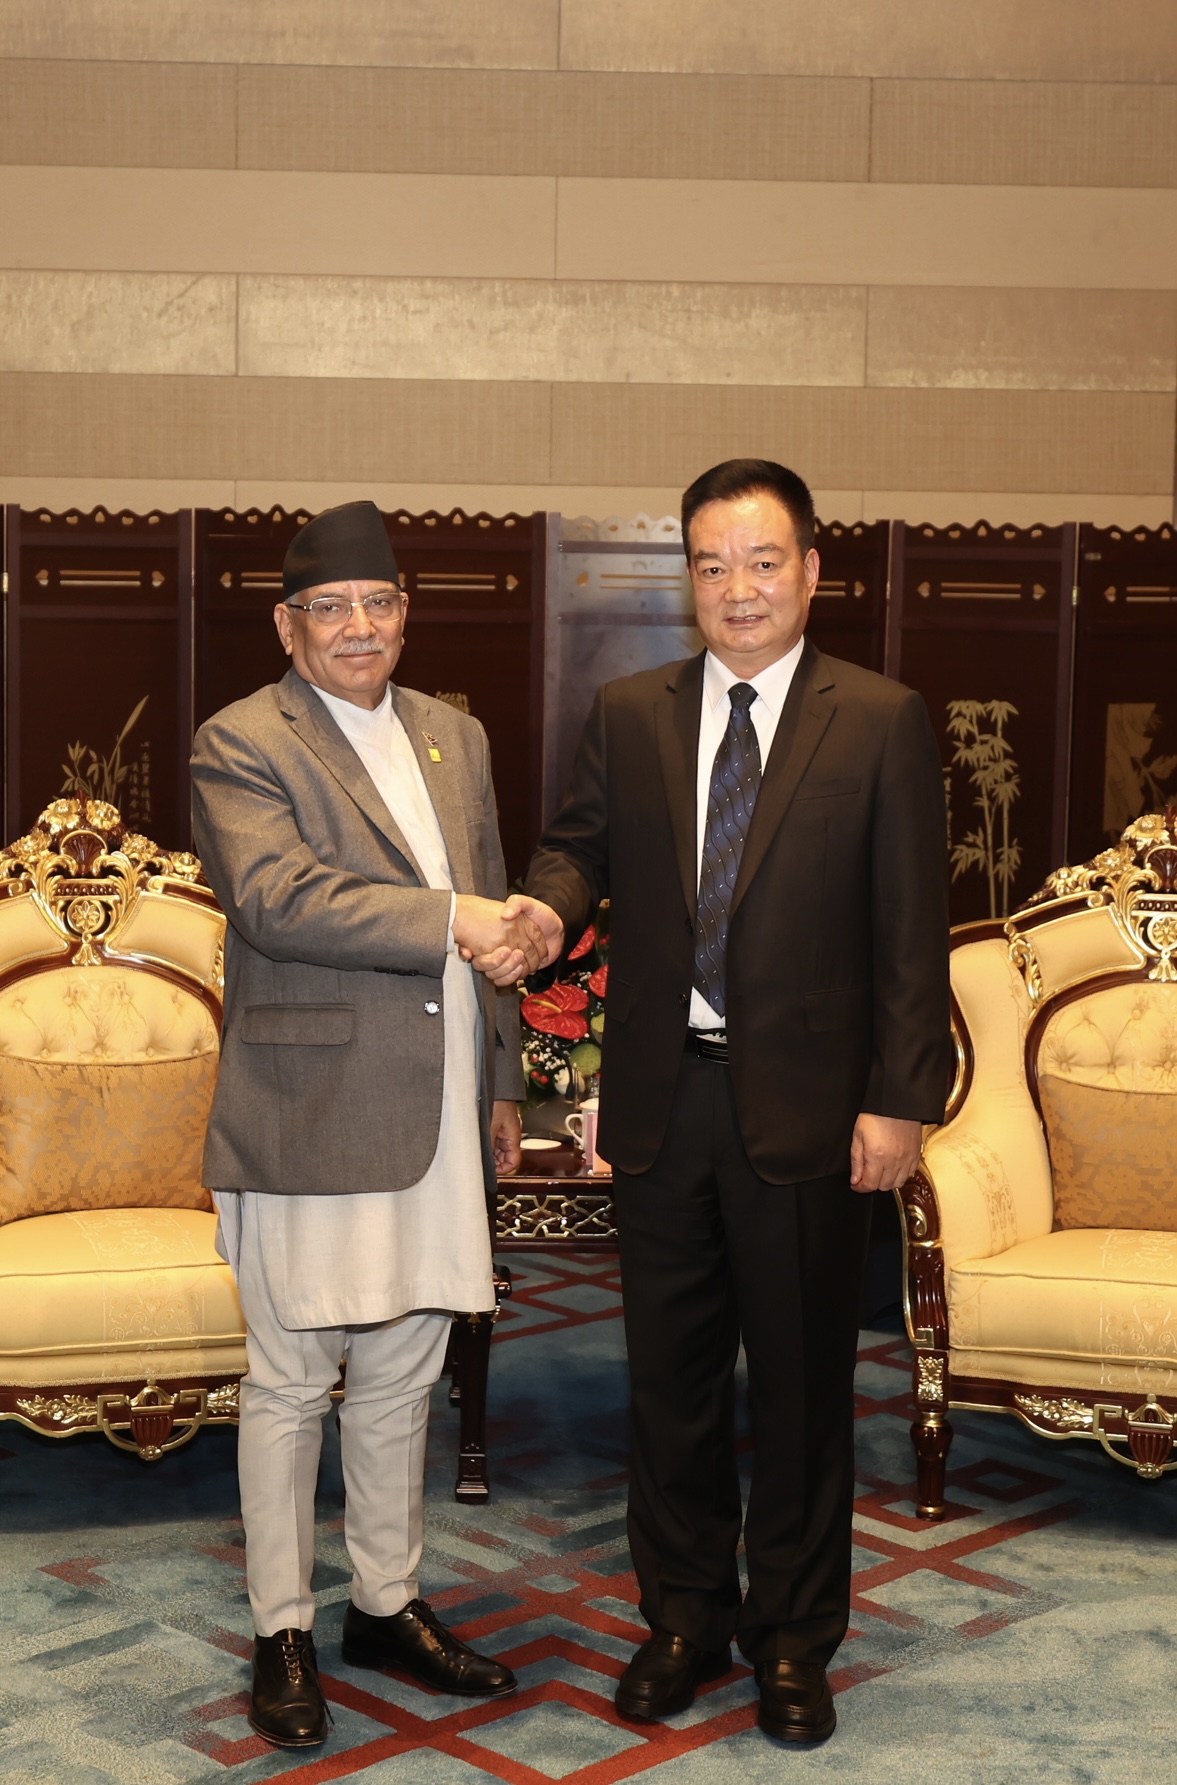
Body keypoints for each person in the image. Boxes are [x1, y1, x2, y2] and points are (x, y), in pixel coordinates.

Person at [517, 459, 950, 1745]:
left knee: (805, 1391)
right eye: (711, 565)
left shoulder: (879, 719)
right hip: (663, 1105)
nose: (737, 589)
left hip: (813, 1114)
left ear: (811, 570)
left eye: (762, 562)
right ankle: (683, 1620)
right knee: (672, 1387)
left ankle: (795, 1639)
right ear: (687, 579)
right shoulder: (630, 711)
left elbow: (910, 929)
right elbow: (578, 848)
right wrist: (542, 908)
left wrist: (898, 1101)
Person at [191, 501, 562, 1749]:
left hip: (438, 1107)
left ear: (405, 614)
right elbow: (278, 897)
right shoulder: (242, 739)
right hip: (308, 1103)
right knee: (293, 1379)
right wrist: (453, 918)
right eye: (331, 608)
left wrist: (500, 1082)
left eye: (379, 603)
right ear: (286, 626)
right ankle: (283, 1627)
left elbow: (493, 904)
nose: (359, 627)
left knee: (406, 1370)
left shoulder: (454, 734)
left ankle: (386, 1604)